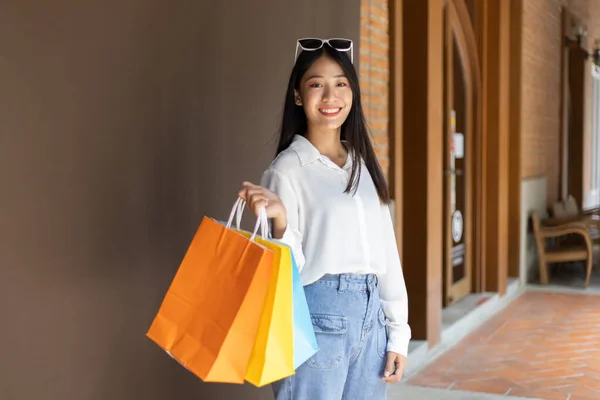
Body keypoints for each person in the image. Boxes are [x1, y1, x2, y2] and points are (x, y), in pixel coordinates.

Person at [238, 38, 410, 400]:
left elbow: (386, 254)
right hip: (317, 316)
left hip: (372, 320)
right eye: (317, 84)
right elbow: (287, 276)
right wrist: (282, 222)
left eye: (341, 83)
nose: (330, 96)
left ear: (352, 93)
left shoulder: (362, 167)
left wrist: (398, 332)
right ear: (299, 96)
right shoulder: (287, 170)